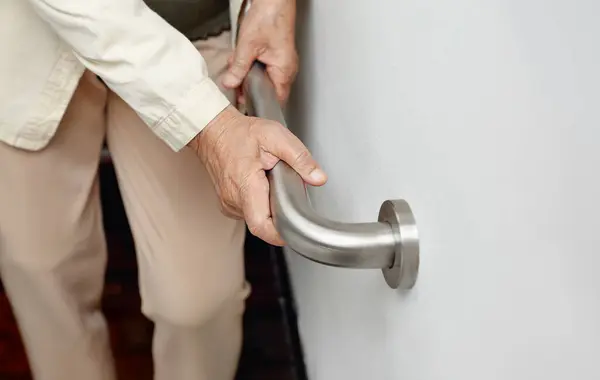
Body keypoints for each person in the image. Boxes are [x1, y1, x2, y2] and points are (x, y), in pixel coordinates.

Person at [0, 0, 327, 379]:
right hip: (35, 35)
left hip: (195, 32)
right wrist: (212, 127)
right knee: (41, 269)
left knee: (197, 302)